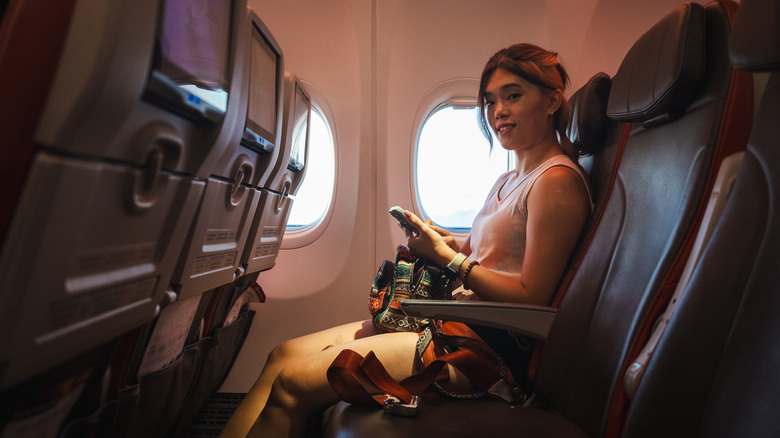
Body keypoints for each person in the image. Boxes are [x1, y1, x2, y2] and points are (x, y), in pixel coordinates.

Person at [222, 43, 592, 438]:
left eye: (513, 96)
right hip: (455, 324)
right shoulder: (509, 178)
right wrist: (443, 241)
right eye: (490, 101)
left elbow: (531, 296)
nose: (497, 111)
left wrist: (450, 260)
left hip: (485, 350)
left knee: (293, 385)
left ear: (552, 100)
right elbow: (485, 253)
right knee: (282, 356)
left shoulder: (556, 182)